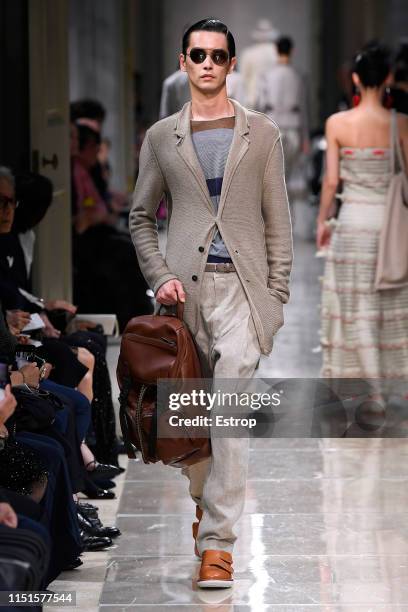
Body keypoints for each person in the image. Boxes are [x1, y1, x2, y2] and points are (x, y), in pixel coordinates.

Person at [129, 18, 292, 588]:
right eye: (197, 54)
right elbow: (141, 217)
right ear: (183, 62)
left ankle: (218, 544)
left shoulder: (264, 134)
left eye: (217, 55)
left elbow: (279, 222)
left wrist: (274, 300)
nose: (206, 63)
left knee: (228, 416)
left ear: (229, 64)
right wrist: (159, 277)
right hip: (187, 295)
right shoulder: (160, 137)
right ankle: (205, 501)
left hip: (245, 293)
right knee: (193, 419)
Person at [317, 43, 408, 380]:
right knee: (388, 308)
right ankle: (389, 383)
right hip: (391, 228)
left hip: (352, 224)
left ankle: (366, 388)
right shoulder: (401, 125)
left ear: (355, 78)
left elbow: (330, 181)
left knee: (355, 309)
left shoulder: (338, 123)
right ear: (387, 78)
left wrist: (323, 220)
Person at [256, 36, 310, 188]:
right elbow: (304, 108)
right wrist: (305, 137)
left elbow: (260, 105)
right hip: (293, 126)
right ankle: (285, 209)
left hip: (272, 126)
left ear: (276, 50)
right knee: (288, 176)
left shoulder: (266, 75)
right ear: (292, 51)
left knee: (275, 173)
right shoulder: (299, 76)